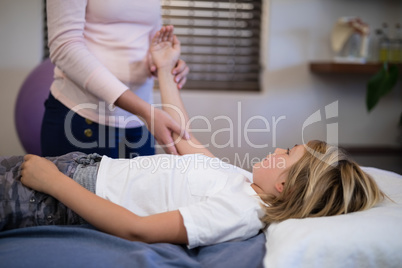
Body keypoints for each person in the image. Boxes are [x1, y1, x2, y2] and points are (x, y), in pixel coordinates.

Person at [1, 26, 385, 249]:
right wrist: (165, 70)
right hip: (85, 171)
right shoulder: (240, 182)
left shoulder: (240, 211)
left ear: (284, 185)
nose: (276, 149)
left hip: (69, 196)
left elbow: (140, 230)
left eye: (286, 153)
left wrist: (53, 182)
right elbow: (181, 135)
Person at [41, 0, 190, 158]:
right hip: (83, 116)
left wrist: (164, 63)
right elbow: (65, 47)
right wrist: (145, 111)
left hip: (140, 121)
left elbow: (146, 38)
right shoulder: (147, 113)